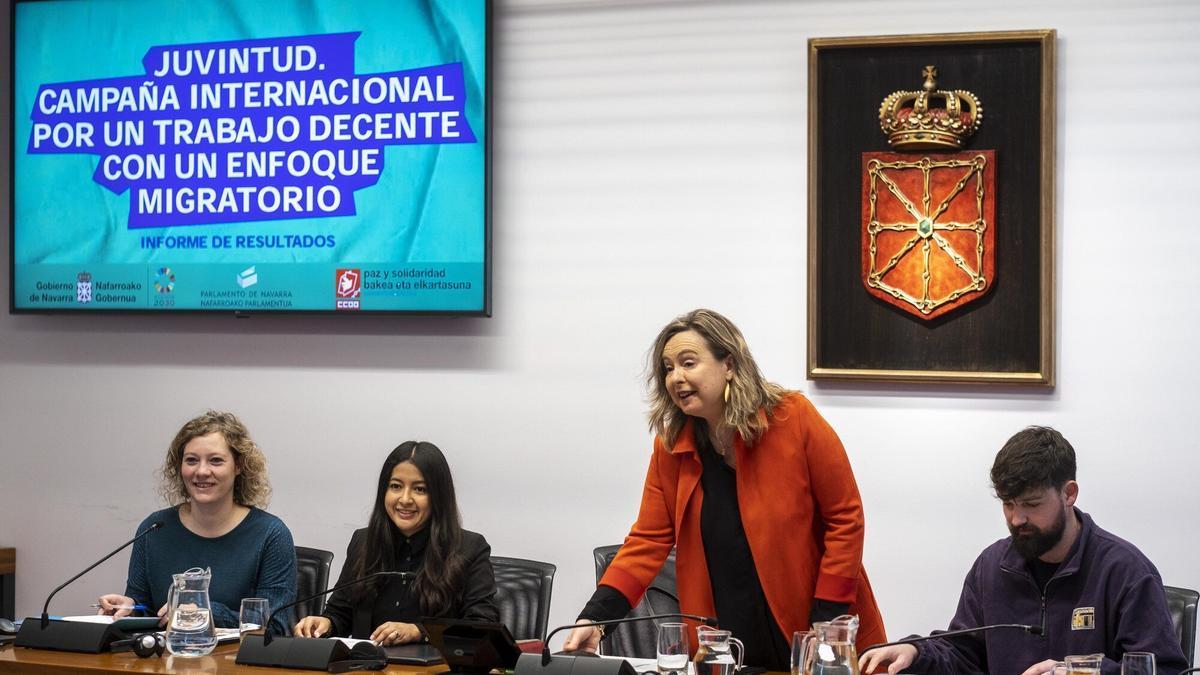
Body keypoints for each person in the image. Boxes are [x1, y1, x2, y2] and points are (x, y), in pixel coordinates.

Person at [562, 309, 885, 669]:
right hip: (728, 637)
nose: (676, 378)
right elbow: (647, 541)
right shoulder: (671, 446)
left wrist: (825, 623)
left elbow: (845, 518)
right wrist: (596, 619)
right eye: (668, 368)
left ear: (728, 364)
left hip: (817, 625)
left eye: (688, 363)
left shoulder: (792, 417)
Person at [859, 426, 1187, 675]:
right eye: (1008, 504)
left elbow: (1163, 669)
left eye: (1031, 504)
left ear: (1069, 493)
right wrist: (916, 652)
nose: (1017, 519)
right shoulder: (991, 567)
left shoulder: (1125, 570)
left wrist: (1078, 671)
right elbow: (964, 653)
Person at [97, 411, 298, 636]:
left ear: (239, 466)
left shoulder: (270, 534)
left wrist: (204, 611)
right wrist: (131, 609)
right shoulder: (154, 528)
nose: (201, 471)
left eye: (216, 461)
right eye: (191, 460)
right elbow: (150, 613)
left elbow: (276, 627)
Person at [293, 441, 499, 645]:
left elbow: (481, 626)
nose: (405, 499)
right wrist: (325, 623)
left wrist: (419, 631)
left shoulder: (470, 548)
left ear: (438, 496)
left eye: (419, 489)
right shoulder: (363, 542)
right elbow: (341, 613)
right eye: (396, 487)